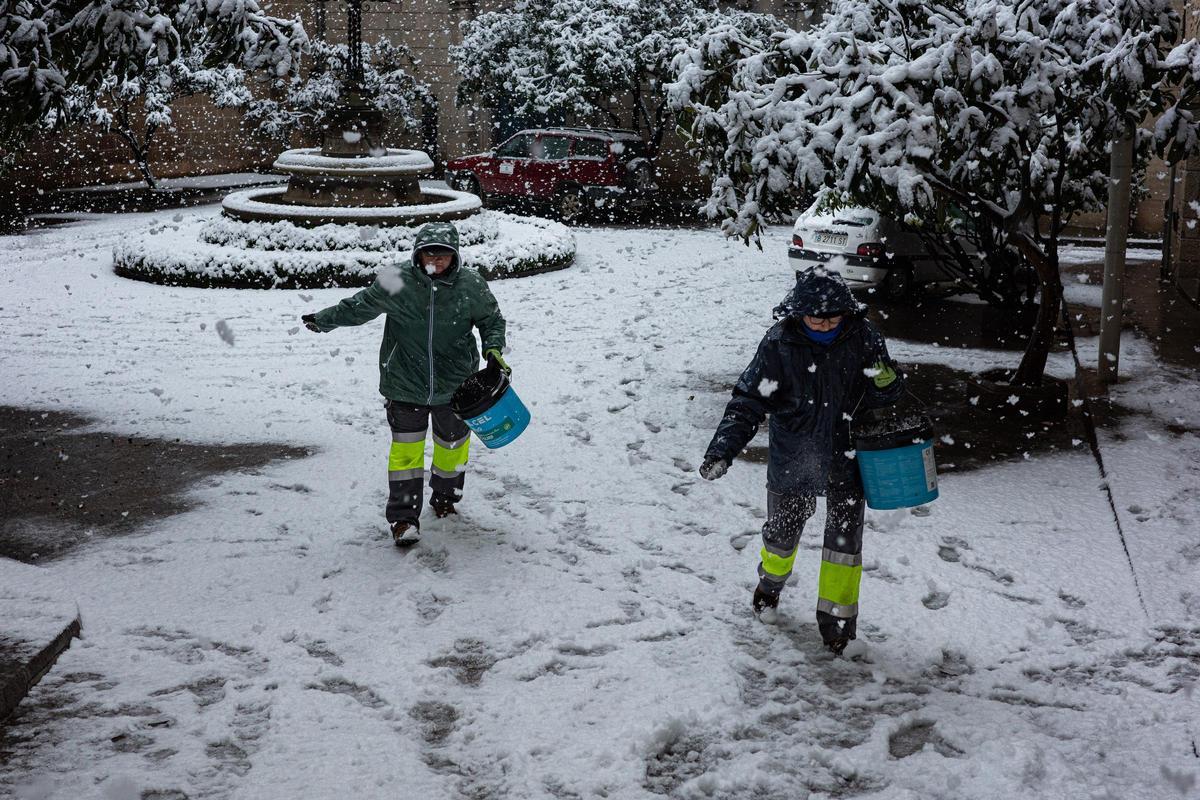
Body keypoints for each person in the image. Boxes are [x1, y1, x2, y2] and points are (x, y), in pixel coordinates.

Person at [699, 268, 903, 655]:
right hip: (794, 455)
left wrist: (888, 383)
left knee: (844, 546)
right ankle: (770, 585)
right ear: (798, 313)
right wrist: (722, 450)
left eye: (832, 315)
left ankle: (838, 626)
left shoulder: (863, 337)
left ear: (846, 311)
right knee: (781, 534)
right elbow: (749, 401)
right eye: (815, 315)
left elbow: (886, 393)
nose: (824, 322)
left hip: (848, 454)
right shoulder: (780, 344)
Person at [301, 221, 508, 547]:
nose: (435, 263)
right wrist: (324, 320)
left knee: (452, 447)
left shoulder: (471, 285)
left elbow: (491, 320)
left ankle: (445, 498)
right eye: (429, 255)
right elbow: (359, 306)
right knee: (406, 455)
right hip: (403, 382)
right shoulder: (396, 280)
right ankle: (403, 519)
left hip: (455, 386)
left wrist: (493, 349)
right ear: (417, 253)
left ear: (455, 257)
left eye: (443, 257)